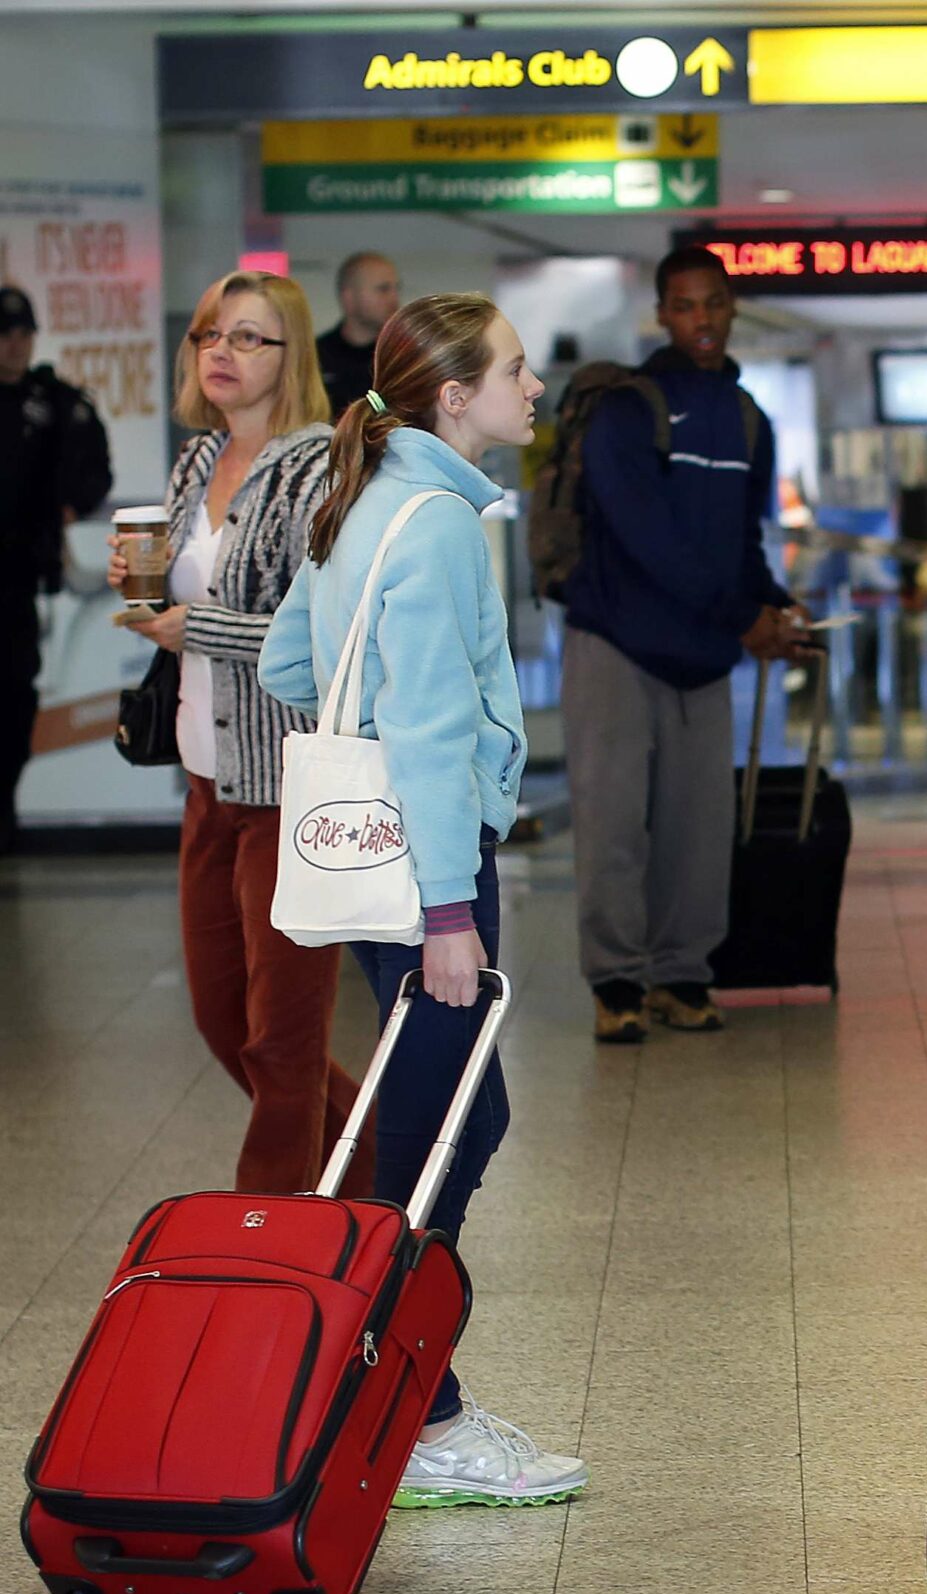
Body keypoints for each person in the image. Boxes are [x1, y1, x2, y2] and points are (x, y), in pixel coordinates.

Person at [263, 292, 586, 1509]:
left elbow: (291, 663)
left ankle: (395, 1377)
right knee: (446, 1121)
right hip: (429, 875)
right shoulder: (442, 523)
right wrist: (449, 911)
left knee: (460, 1107)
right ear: (454, 397)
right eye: (513, 369)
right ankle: (411, 1400)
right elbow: (436, 726)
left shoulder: (359, 496)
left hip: (364, 858)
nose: (532, 386)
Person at [108, 271, 372, 1196]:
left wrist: (198, 628)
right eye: (210, 335)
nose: (221, 352)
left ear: (291, 355)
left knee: (283, 1032)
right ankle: (376, 1161)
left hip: (288, 781)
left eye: (248, 338)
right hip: (205, 775)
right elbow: (179, 593)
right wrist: (142, 592)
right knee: (225, 1019)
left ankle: (269, 1235)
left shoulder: (320, 468)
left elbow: (332, 637)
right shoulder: (194, 463)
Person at [560, 246, 810, 1043]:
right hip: (616, 641)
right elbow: (647, 540)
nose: (702, 320)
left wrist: (773, 608)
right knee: (612, 821)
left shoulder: (747, 421)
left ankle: (681, 974)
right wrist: (740, 617)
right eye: (686, 305)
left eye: (715, 304)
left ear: (733, 309)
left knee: (698, 827)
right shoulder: (627, 410)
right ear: (663, 315)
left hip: (703, 651)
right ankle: (616, 980)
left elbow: (741, 539)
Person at [0, 283, 112, 852]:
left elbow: (95, 471)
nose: (15, 345)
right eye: (5, 334)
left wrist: (68, 504)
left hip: (22, 576)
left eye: (23, 334)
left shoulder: (57, 402)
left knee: (16, 694)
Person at [315, 252, 400, 418]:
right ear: (349, 297)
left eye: (396, 288)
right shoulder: (315, 357)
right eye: (383, 289)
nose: (394, 299)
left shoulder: (401, 358)